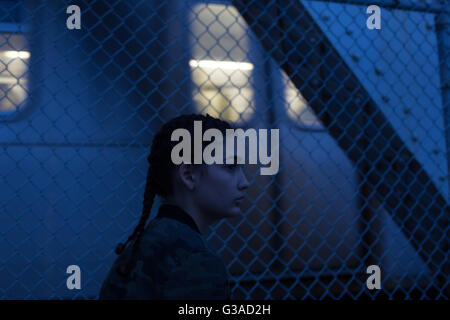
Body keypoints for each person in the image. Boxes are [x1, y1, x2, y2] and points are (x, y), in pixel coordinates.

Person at [98, 113, 250, 299]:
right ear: (189, 175)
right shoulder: (194, 259)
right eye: (230, 166)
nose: (245, 182)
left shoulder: (145, 245)